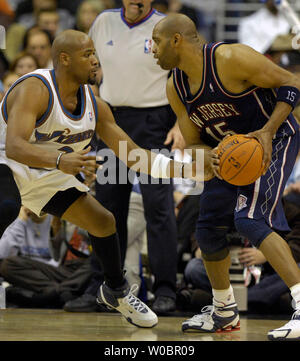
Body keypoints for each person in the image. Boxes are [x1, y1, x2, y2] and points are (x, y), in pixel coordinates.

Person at [0, 29, 202, 327]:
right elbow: (16, 146)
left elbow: (134, 156)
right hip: (8, 161)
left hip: (49, 172)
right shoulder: (36, 88)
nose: (95, 60)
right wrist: (60, 159)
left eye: (95, 53)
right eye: (87, 54)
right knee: (7, 206)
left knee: (103, 221)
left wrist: (188, 170)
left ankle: (115, 291)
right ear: (64, 59)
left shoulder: (96, 105)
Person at [152, 13, 300, 340]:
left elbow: (291, 83)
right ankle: (224, 311)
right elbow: (192, 141)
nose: (152, 49)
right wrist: (205, 154)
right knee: (207, 229)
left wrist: (268, 129)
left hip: (274, 139)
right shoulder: (175, 86)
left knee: (250, 219)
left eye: (157, 40)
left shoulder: (231, 58)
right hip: (230, 153)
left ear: (176, 39)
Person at [85, 0, 186, 315]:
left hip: (155, 123)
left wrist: (181, 123)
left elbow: (187, 75)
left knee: (159, 208)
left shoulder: (167, 25)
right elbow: (87, 65)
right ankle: (105, 288)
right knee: (106, 209)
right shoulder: (103, 22)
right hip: (111, 121)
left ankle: (166, 289)